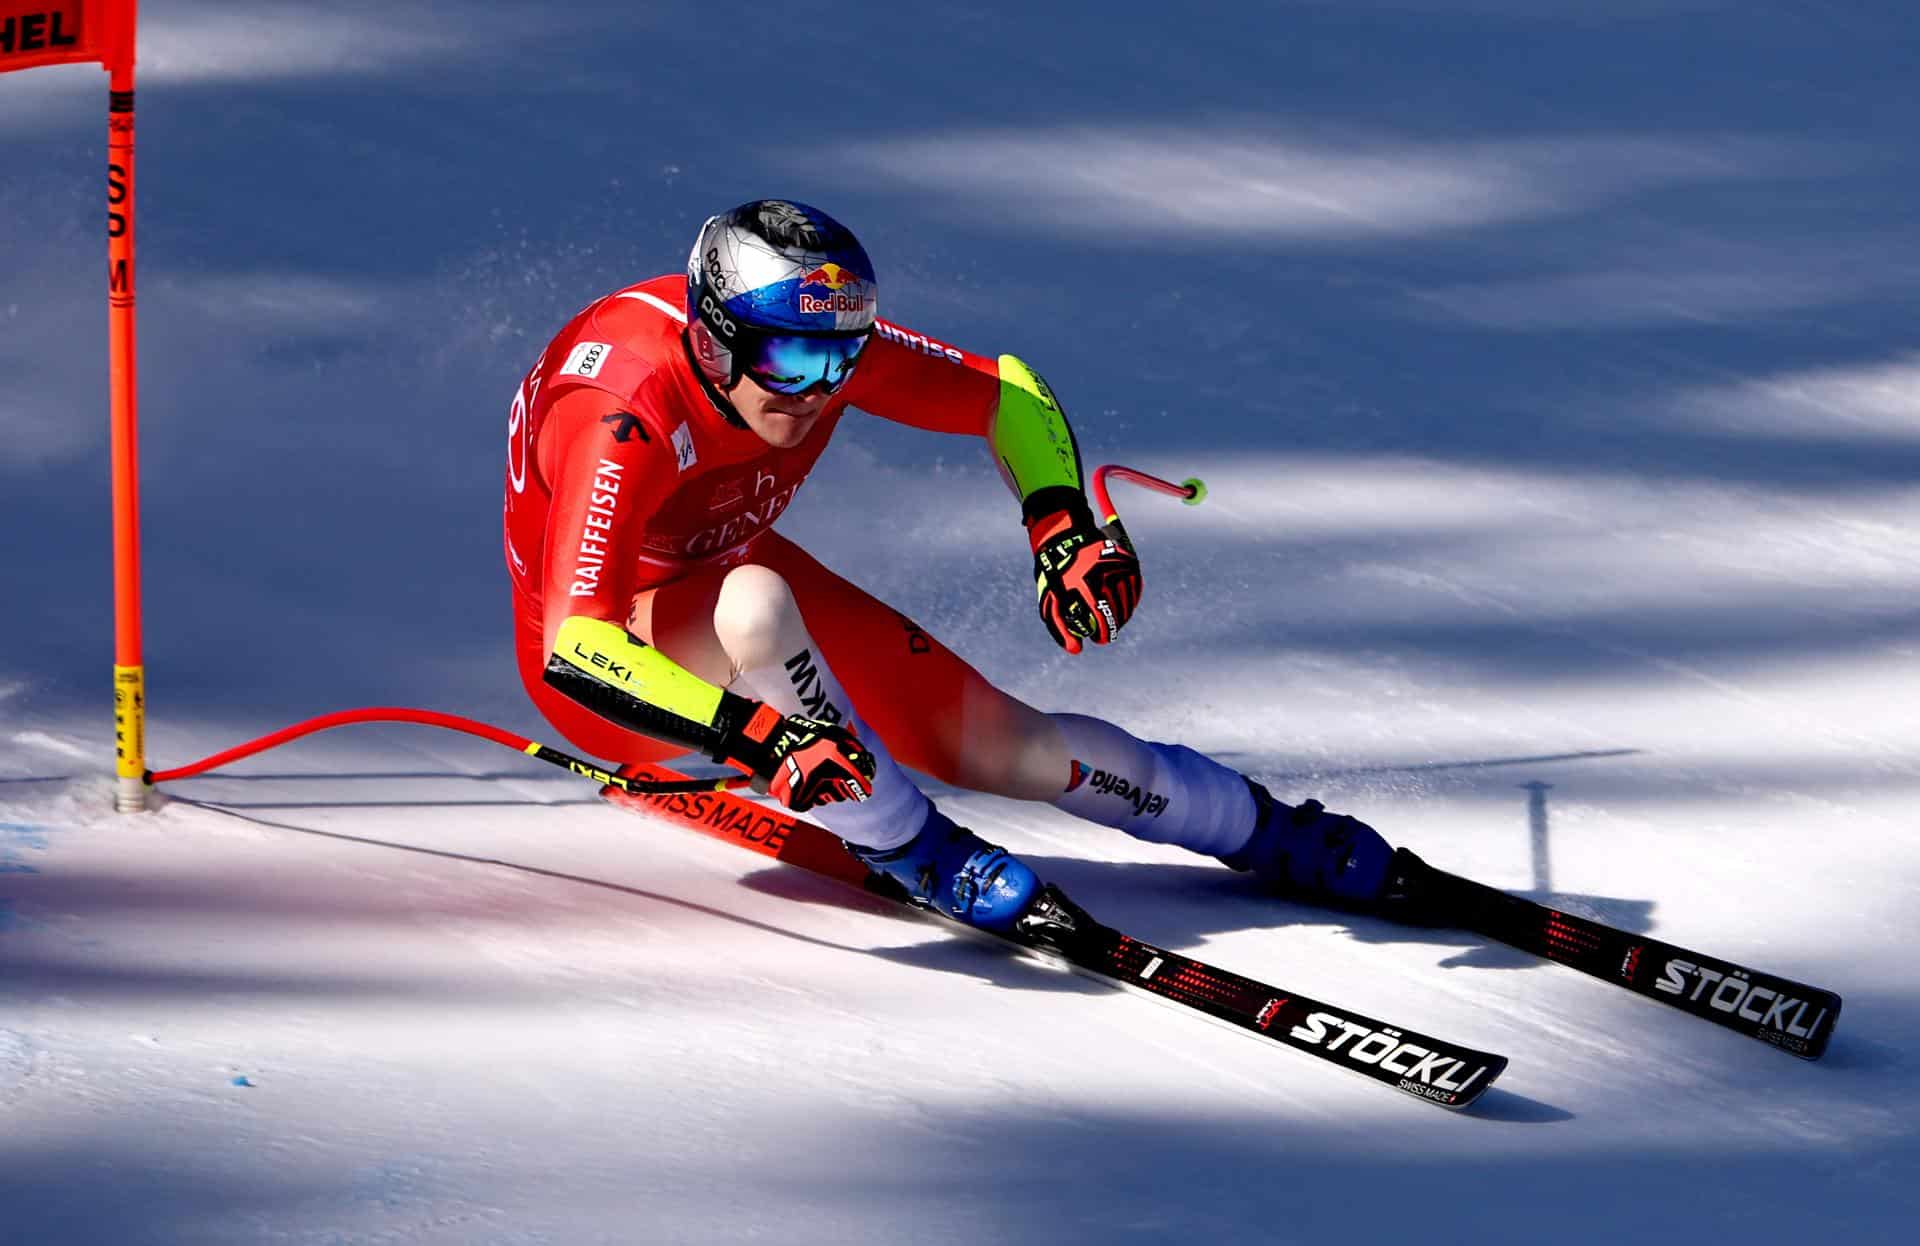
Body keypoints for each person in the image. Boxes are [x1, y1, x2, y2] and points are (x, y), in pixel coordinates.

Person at [503, 199, 1394, 933]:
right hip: (621, 659)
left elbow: (1005, 395)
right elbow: (577, 646)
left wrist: (1058, 523)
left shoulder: (809, 335)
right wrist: (760, 738)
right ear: (712, 342)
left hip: (730, 572)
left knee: (1013, 748)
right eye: (791, 360)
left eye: (843, 357)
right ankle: (909, 844)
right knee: (756, 606)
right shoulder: (621, 412)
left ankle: (1262, 827)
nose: (819, 390)